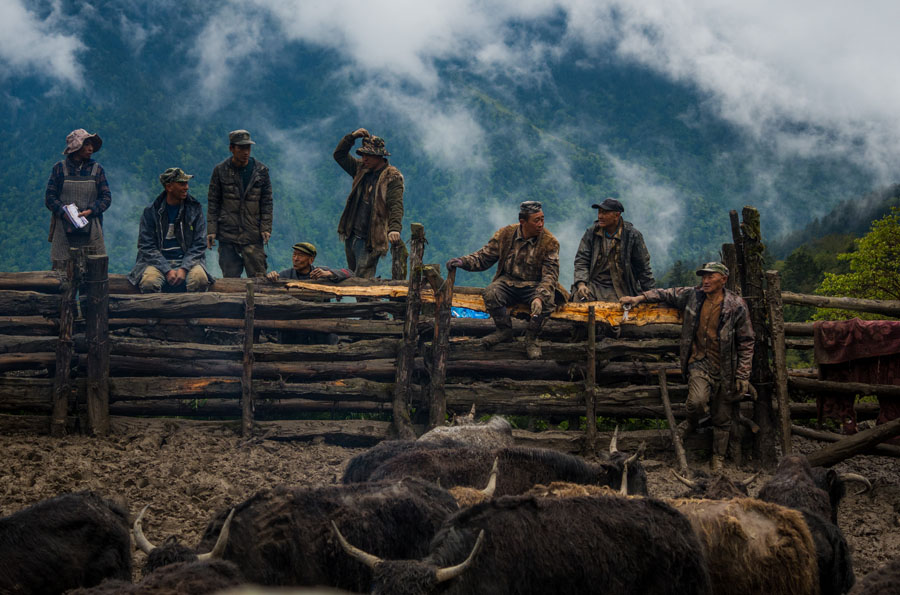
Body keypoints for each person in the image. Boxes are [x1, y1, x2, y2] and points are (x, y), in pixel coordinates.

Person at [619, 262, 754, 472]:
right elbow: (666, 293)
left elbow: (746, 341)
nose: (706, 280)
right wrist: (638, 298)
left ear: (723, 279)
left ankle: (717, 458)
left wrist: (743, 374)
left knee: (722, 416)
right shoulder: (694, 295)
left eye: (711, 277)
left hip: (727, 368)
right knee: (696, 402)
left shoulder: (736, 306)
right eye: (704, 276)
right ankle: (692, 421)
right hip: (699, 362)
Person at [447, 201, 564, 360]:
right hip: (508, 282)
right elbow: (484, 257)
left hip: (534, 285)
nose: (541, 224)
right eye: (536, 220)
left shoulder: (550, 242)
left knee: (548, 300)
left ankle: (531, 338)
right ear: (523, 222)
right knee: (491, 292)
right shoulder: (505, 235)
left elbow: (550, 275)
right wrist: (463, 262)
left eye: (542, 219)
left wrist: (539, 297)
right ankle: (504, 330)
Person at [128, 168, 213, 293]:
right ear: (169, 187)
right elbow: (146, 246)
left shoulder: (194, 209)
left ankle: (192, 312)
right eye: (182, 183)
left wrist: (184, 268)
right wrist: (166, 269)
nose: (186, 187)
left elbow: (199, 243)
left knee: (199, 279)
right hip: (157, 262)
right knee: (149, 283)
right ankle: (157, 312)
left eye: (187, 183)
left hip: (188, 261)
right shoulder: (151, 212)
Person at [333, 128, 404, 278]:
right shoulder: (361, 169)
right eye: (363, 154)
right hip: (351, 233)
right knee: (352, 276)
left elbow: (395, 205)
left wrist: (394, 228)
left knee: (362, 280)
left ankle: (364, 301)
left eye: (369, 155)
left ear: (379, 156)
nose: (364, 158)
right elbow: (339, 155)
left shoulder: (392, 177)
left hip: (369, 239)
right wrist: (351, 137)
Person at [207, 130, 273, 278]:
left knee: (258, 278)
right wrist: (211, 230)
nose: (245, 152)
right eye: (241, 148)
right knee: (230, 277)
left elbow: (267, 203)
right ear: (232, 148)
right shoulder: (220, 171)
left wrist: (266, 227)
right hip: (227, 233)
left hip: (252, 233)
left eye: (248, 148)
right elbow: (213, 202)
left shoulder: (261, 171)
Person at [45, 129, 111, 270]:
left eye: (91, 144)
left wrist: (90, 210)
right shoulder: (59, 169)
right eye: (86, 144)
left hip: (91, 230)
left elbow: (106, 198)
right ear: (76, 147)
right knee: (61, 276)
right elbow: (50, 197)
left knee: (93, 274)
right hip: (63, 231)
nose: (91, 148)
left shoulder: (97, 170)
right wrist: (65, 213)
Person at [571, 197, 655, 302]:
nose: (600, 216)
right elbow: (581, 260)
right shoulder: (592, 233)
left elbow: (643, 269)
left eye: (605, 213)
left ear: (617, 215)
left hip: (622, 288)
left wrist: (651, 294)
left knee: (621, 311)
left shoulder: (632, 236)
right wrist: (581, 284)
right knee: (579, 301)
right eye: (599, 212)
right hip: (595, 285)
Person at [265, 242, 352, 282]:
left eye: (300, 255)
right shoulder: (286, 275)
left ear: (311, 260)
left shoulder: (321, 272)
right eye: (294, 255)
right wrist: (271, 276)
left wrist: (329, 273)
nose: (295, 259)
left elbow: (349, 273)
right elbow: (271, 280)